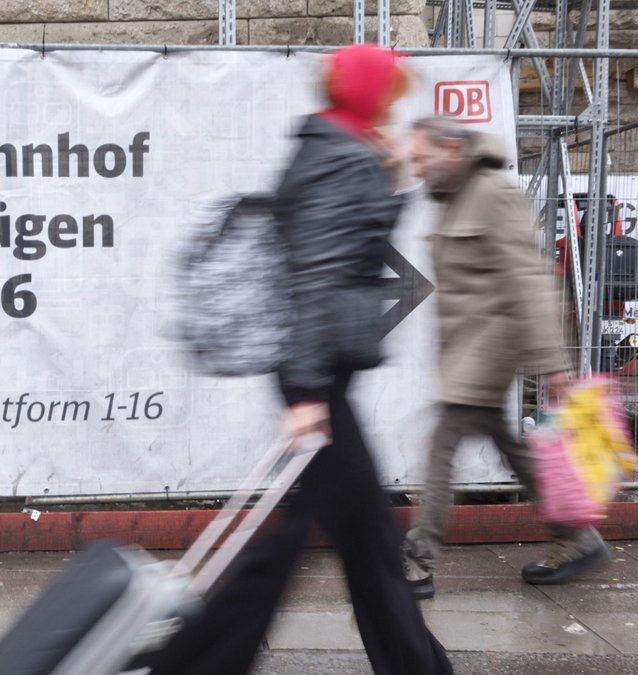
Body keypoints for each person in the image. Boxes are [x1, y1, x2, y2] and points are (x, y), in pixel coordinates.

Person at [148, 45, 452, 675]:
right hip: (314, 372)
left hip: (319, 369)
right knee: (322, 538)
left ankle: (414, 663)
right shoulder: (338, 156)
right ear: (371, 90)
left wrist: (389, 177)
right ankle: (194, 661)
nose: (397, 98)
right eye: (391, 87)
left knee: (359, 535)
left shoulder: (341, 144)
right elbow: (316, 274)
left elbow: (347, 248)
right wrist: (309, 391)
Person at [401, 115, 610, 600]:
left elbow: (530, 281)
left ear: (452, 148)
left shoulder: (493, 193)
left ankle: (417, 560)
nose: (416, 168)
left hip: (487, 353)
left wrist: (553, 363)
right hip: (469, 354)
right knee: (513, 451)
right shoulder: (454, 197)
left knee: (442, 448)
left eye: (422, 157)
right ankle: (577, 537)